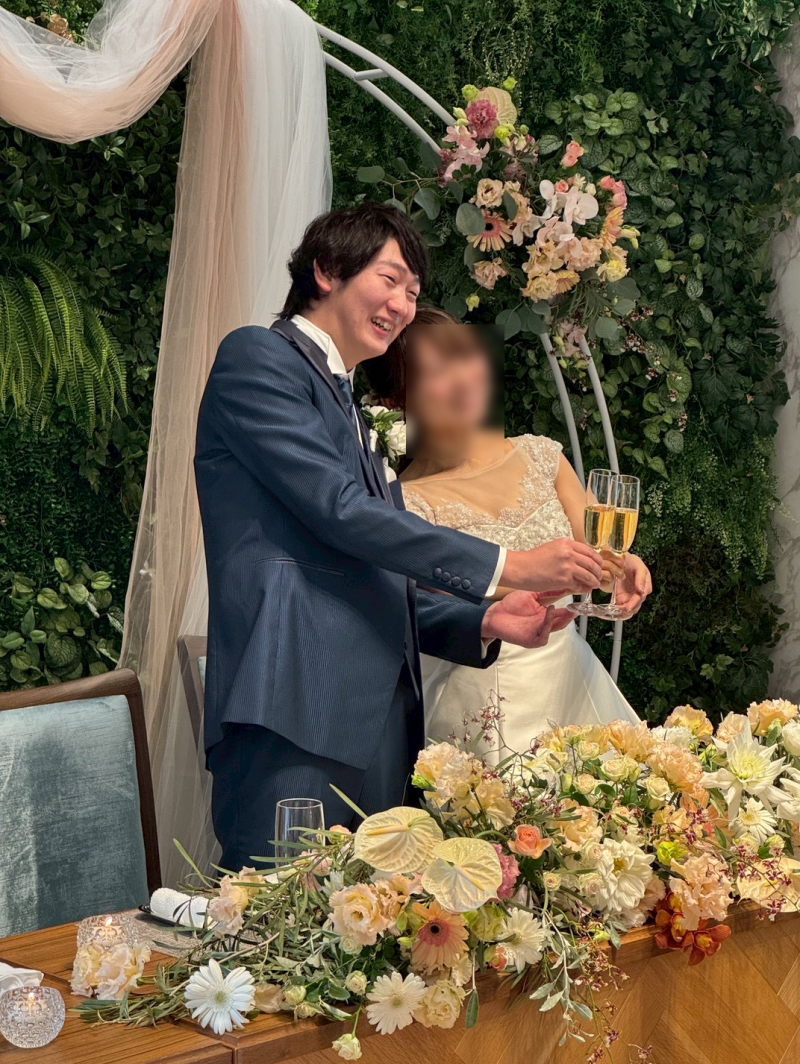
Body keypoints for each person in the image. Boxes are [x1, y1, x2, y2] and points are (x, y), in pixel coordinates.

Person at [194, 204, 605, 870]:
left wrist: (483, 619)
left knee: (368, 925)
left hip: (381, 724)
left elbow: (369, 573)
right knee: (275, 914)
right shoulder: (259, 357)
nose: (403, 305)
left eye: (413, 292)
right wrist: (510, 564)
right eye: (390, 280)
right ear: (327, 270)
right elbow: (340, 512)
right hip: (296, 706)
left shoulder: (347, 403)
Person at [384, 306, 651, 763]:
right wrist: (545, 575)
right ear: (400, 398)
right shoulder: (404, 502)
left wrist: (622, 567)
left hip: (570, 679)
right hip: (483, 701)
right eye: (438, 371)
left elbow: (598, 555)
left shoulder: (541, 455)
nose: (463, 380)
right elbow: (434, 607)